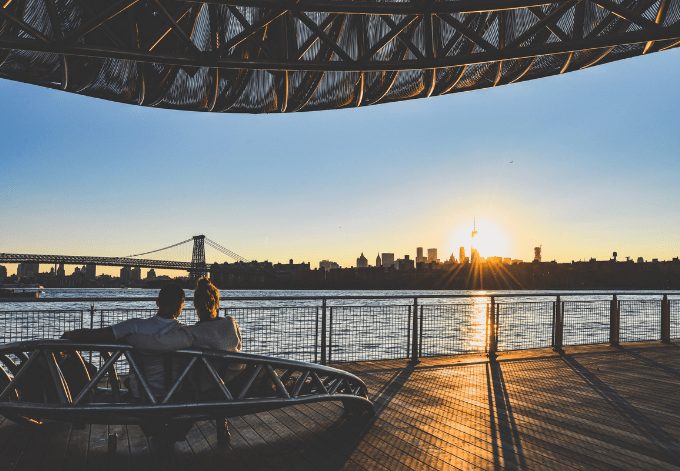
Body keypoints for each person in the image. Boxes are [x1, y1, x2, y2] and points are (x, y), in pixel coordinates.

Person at [62, 282, 186, 398]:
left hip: (140, 395)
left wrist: (69, 335)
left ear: (157, 302)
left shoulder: (134, 327)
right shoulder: (186, 333)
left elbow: (96, 335)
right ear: (181, 305)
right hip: (174, 395)